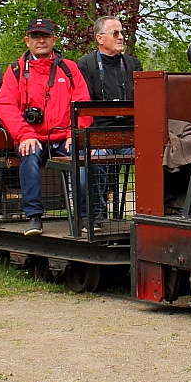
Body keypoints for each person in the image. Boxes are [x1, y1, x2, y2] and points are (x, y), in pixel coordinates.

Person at [0, 18, 92, 236]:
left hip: (64, 136)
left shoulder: (69, 69)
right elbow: (5, 106)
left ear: (53, 39)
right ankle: (34, 217)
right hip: (32, 137)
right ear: (26, 41)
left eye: (45, 36)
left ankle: (85, 216)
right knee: (29, 156)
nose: (41, 40)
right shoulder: (15, 70)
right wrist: (24, 134)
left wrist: (74, 133)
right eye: (36, 36)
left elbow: (83, 104)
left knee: (81, 160)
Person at [77, 16, 140, 227]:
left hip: (130, 136)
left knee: (160, 155)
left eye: (122, 32)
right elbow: (84, 105)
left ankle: (155, 213)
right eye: (115, 33)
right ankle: (94, 215)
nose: (121, 37)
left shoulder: (132, 64)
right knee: (93, 159)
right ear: (99, 38)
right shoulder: (86, 65)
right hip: (99, 135)